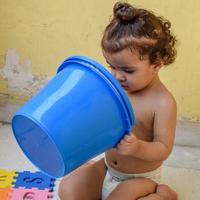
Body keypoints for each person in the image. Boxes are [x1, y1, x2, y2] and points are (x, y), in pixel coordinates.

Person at [58, 1, 178, 200]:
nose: (116, 76)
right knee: (68, 190)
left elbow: (163, 149)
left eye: (127, 70)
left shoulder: (162, 103)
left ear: (156, 65)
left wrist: (137, 147)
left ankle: (163, 195)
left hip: (140, 178)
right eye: (112, 66)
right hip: (107, 168)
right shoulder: (115, 88)